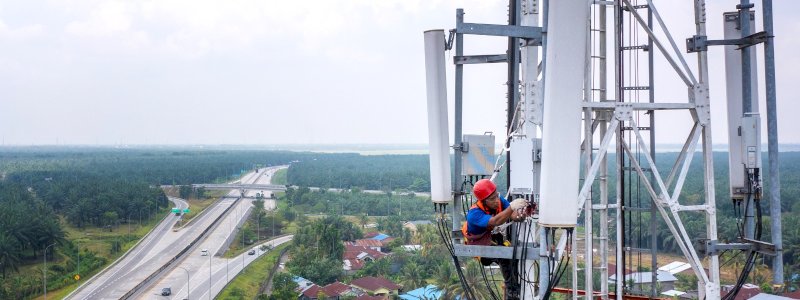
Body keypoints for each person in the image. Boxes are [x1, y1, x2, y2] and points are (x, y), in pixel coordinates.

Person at [462, 179, 528, 299]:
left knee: (513, 256)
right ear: (484, 201)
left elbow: (512, 215)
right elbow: (495, 221)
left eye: (497, 196)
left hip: (492, 238)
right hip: (479, 246)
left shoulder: (498, 200)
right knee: (504, 256)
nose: (497, 200)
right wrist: (512, 207)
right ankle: (512, 292)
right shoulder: (474, 214)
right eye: (492, 199)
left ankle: (516, 287)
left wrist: (520, 216)